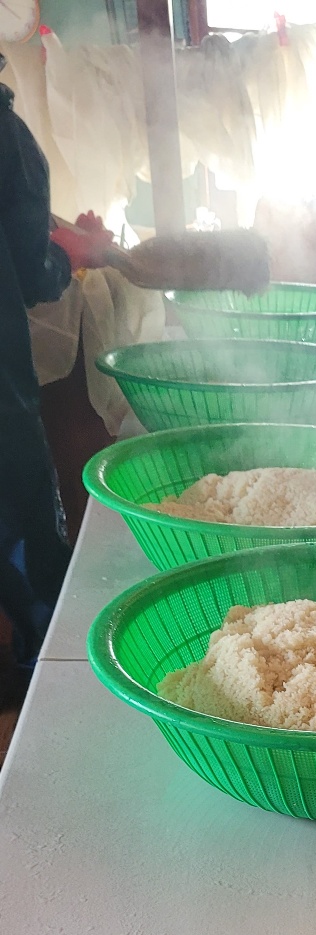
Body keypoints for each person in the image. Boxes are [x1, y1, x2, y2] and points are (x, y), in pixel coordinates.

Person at [0, 70, 112, 677]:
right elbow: (31, 269)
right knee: (22, 521)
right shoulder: (6, 136)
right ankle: (51, 670)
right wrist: (73, 252)